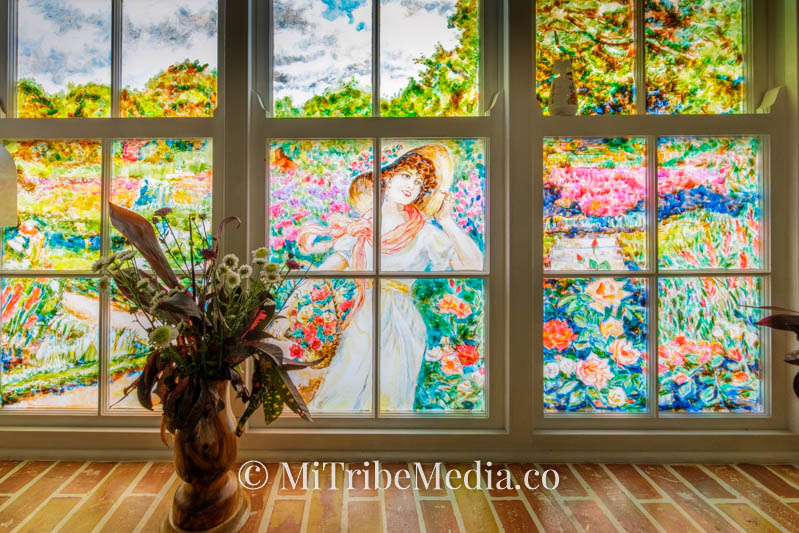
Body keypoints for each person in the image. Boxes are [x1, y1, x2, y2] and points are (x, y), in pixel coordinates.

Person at [295, 144, 482, 412]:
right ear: (388, 177)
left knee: (389, 397)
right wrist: (301, 291)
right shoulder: (362, 226)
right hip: (363, 317)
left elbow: (475, 265)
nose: (411, 186)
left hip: (401, 321)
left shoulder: (425, 232)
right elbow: (332, 266)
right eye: (405, 176)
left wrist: (447, 221)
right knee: (343, 390)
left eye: (418, 182)